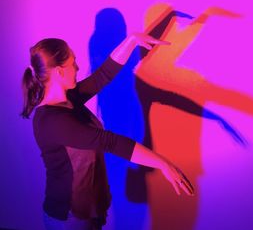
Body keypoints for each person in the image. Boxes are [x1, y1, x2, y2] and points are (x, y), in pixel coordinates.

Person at [21, 34, 194, 230]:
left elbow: (103, 75)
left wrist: (132, 40)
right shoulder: (52, 121)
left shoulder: (70, 99)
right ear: (60, 72)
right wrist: (164, 165)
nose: (78, 68)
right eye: (73, 63)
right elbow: (110, 142)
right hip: (69, 218)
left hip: (91, 210)